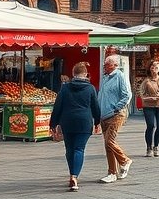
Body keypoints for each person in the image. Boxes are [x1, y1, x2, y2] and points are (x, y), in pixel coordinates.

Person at [50, 61, 101, 191]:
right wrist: (97, 122)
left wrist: (53, 124)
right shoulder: (90, 89)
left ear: (73, 74)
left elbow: (58, 106)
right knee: (79, 149)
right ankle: (74, 176)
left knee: (69, 149)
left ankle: (71, 173)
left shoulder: (65, 88)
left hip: (67, 122)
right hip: (84, 122)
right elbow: (95, 107)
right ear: (85, 74)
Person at [98, 55, 133, 183]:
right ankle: (112, 172)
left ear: (114, 65)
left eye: (106, 65)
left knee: (109, 141)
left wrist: (116, 107)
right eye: (104, 64)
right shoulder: (106, 77)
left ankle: (125, 160)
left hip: (115, 114)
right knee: (108, 145)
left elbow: (127, 95)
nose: (104, 67)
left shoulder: (119, 76)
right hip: (104, 115)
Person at [139, 60, 159, 157]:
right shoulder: (146, 81)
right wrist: (151, 98)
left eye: (156, 67)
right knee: (151, 125)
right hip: (148, 105)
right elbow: (141, 95)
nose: (154, 69)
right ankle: (149, 147)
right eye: (152, 67)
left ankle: (156, 146)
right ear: (149, 69)